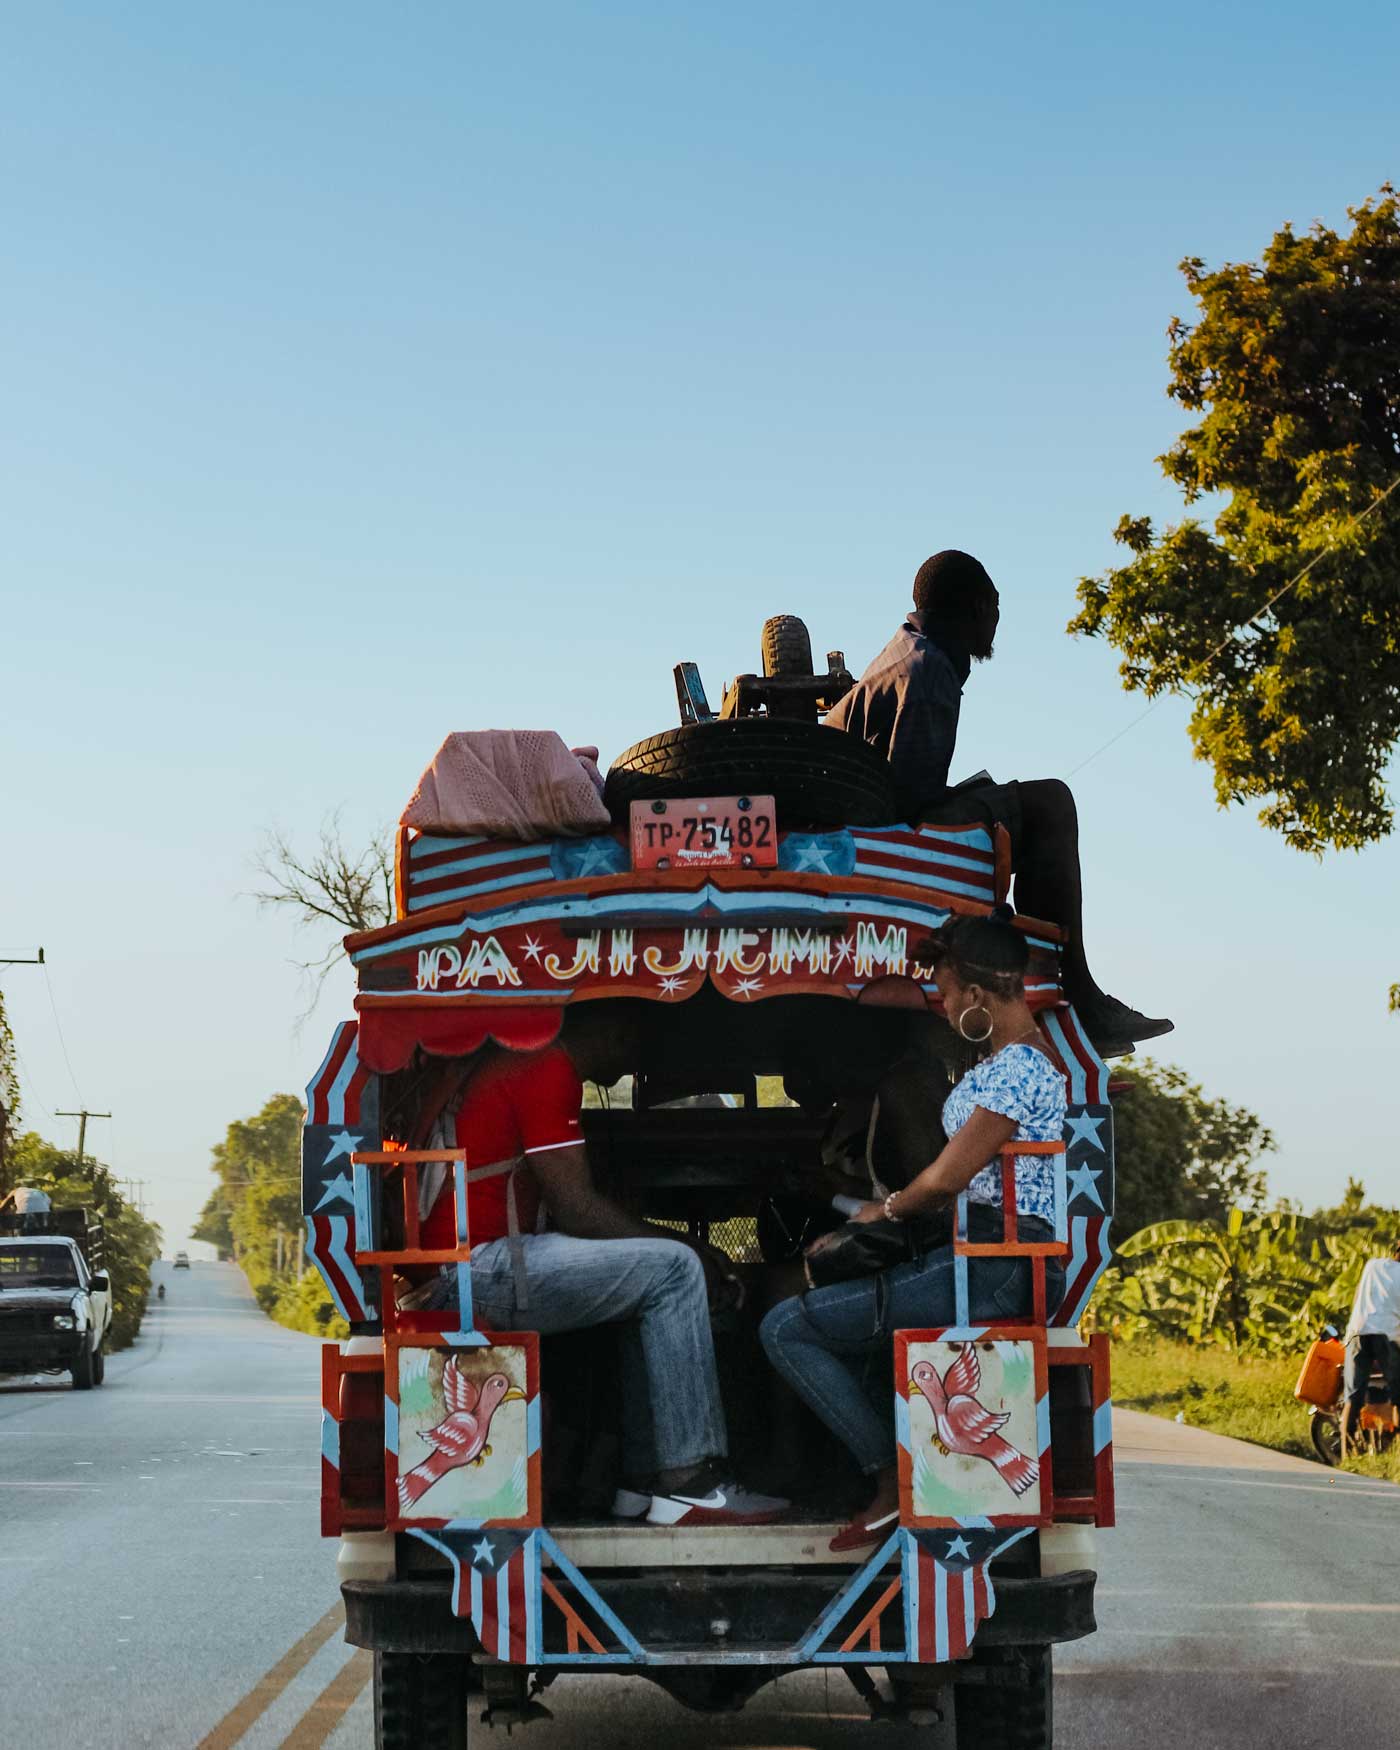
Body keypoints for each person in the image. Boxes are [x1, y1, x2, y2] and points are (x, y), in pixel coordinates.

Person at [759, 907, 1067, 1550]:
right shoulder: (1012, 1063)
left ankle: (893, 1481)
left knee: (785, 1326)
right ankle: (884, 1473)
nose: (945, 1005)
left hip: (993, 1264)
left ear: (979, 996)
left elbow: (946, 1180)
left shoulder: (1019, 1068)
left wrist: (882, 1210)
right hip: (982, 1256)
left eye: (949, 993)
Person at [413, 1007, 788, 1528]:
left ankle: (641, 1482)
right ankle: (692, 1483)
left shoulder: (527, 1063)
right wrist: (693, 1250)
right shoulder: (545, 1065)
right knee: (674, 1269)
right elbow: (578, 1208)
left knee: (653, 1280)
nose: (641, 1052)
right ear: (610, 1025)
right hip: (478, 1270)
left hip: (470, 1266)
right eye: (639, 1030)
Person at [826, 549, 1172, 1057]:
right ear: (970, 608)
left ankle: (1067, 981)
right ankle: (1080, 996)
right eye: (993, 606)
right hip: (877, 839)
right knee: (1051, 802)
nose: (997, 620)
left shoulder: (914, 652)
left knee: (1024, 802)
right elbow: (909, 811)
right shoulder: (927, 673)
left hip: (870, 819)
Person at [1341, 1243, 1400, 1459]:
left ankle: (1346, 1456)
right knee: (1398, 1396)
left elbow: (1357, 1298)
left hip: (1358, 1331)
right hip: (1385, 1335)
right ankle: (1393, 1452)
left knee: (1353, 1397)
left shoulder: (1372, 1265)